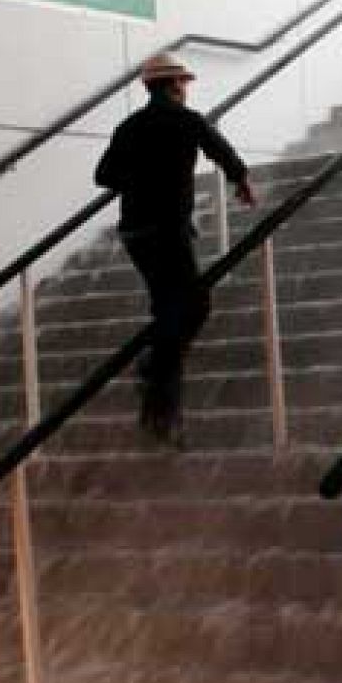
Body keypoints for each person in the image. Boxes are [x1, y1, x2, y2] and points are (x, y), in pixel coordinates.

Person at [96, 53, 255, 447]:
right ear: (175, 85)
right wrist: (241, 181)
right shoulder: (188, 120)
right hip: (169, 231)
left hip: (136, 233)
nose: (186, 88)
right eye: (183, 82)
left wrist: (140, 175)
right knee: (193, 307)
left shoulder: (129, 127)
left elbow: (104, 175)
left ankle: (164, 409)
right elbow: (221, 151)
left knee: (169, 312)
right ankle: (157, 391)